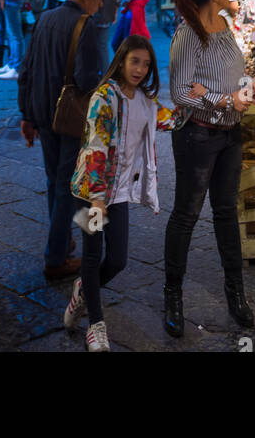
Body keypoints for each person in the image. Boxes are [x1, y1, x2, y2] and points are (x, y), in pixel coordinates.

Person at [64, 36, 196, 352]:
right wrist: (97, 197)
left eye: (146, 64)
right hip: (89, 192)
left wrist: (194, 96)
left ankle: (83, 290)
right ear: (121, 60)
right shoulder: (103, 98)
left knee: (119, 260)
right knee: (92, 255)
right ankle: (95, 326)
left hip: (119, 193)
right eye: (134, 61)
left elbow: (173, 120)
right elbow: (96, 146)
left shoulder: (145, 102)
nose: (140, 69)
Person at [163, 0, 255, 339]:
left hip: (230, 136)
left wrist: (247, 88)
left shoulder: (225, 28)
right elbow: (181, 92)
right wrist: (224, 100)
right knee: (186, 216)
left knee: (226, 214)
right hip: (197, 137)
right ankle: (173, 296)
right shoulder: (189, 35)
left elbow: (231, 73)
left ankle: (235, 294)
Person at [18, 0, 104, 281]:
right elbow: (85, 78)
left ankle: (63, 240)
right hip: (68, 117)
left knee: (54, 179)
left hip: (41, 111)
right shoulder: (85, 24)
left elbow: (26, 68)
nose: (100, 5)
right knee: (68, 185)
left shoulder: (44, 18)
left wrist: (26, 114)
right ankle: (55, 257)